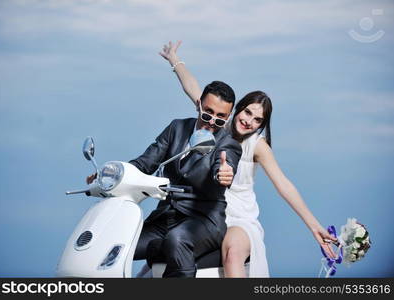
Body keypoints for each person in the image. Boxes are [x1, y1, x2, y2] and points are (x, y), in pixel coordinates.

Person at [159, 41, 338, 277]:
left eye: (258, 120)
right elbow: (192, 87)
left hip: (238, 219)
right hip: (205, 214)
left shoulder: (257, 146)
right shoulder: (215, 121)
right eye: (247, 113)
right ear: (237, 110)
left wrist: (315, 226)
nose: (249, 121)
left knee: (232, 254)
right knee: (161, 253)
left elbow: (284, 185)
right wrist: (174, 60)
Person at [89, 80, 242, 277]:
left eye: (220, 118)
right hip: (164, 219)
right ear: (198, 105)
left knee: (176, 239)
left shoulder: (228, 144)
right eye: (208, 113)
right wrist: (111, 174)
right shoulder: (177, 128)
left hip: (202, 222)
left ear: (228, 117)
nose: (212, 121)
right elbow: (144, 163)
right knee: (116, 243)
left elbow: (224, 165)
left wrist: (223, 173)